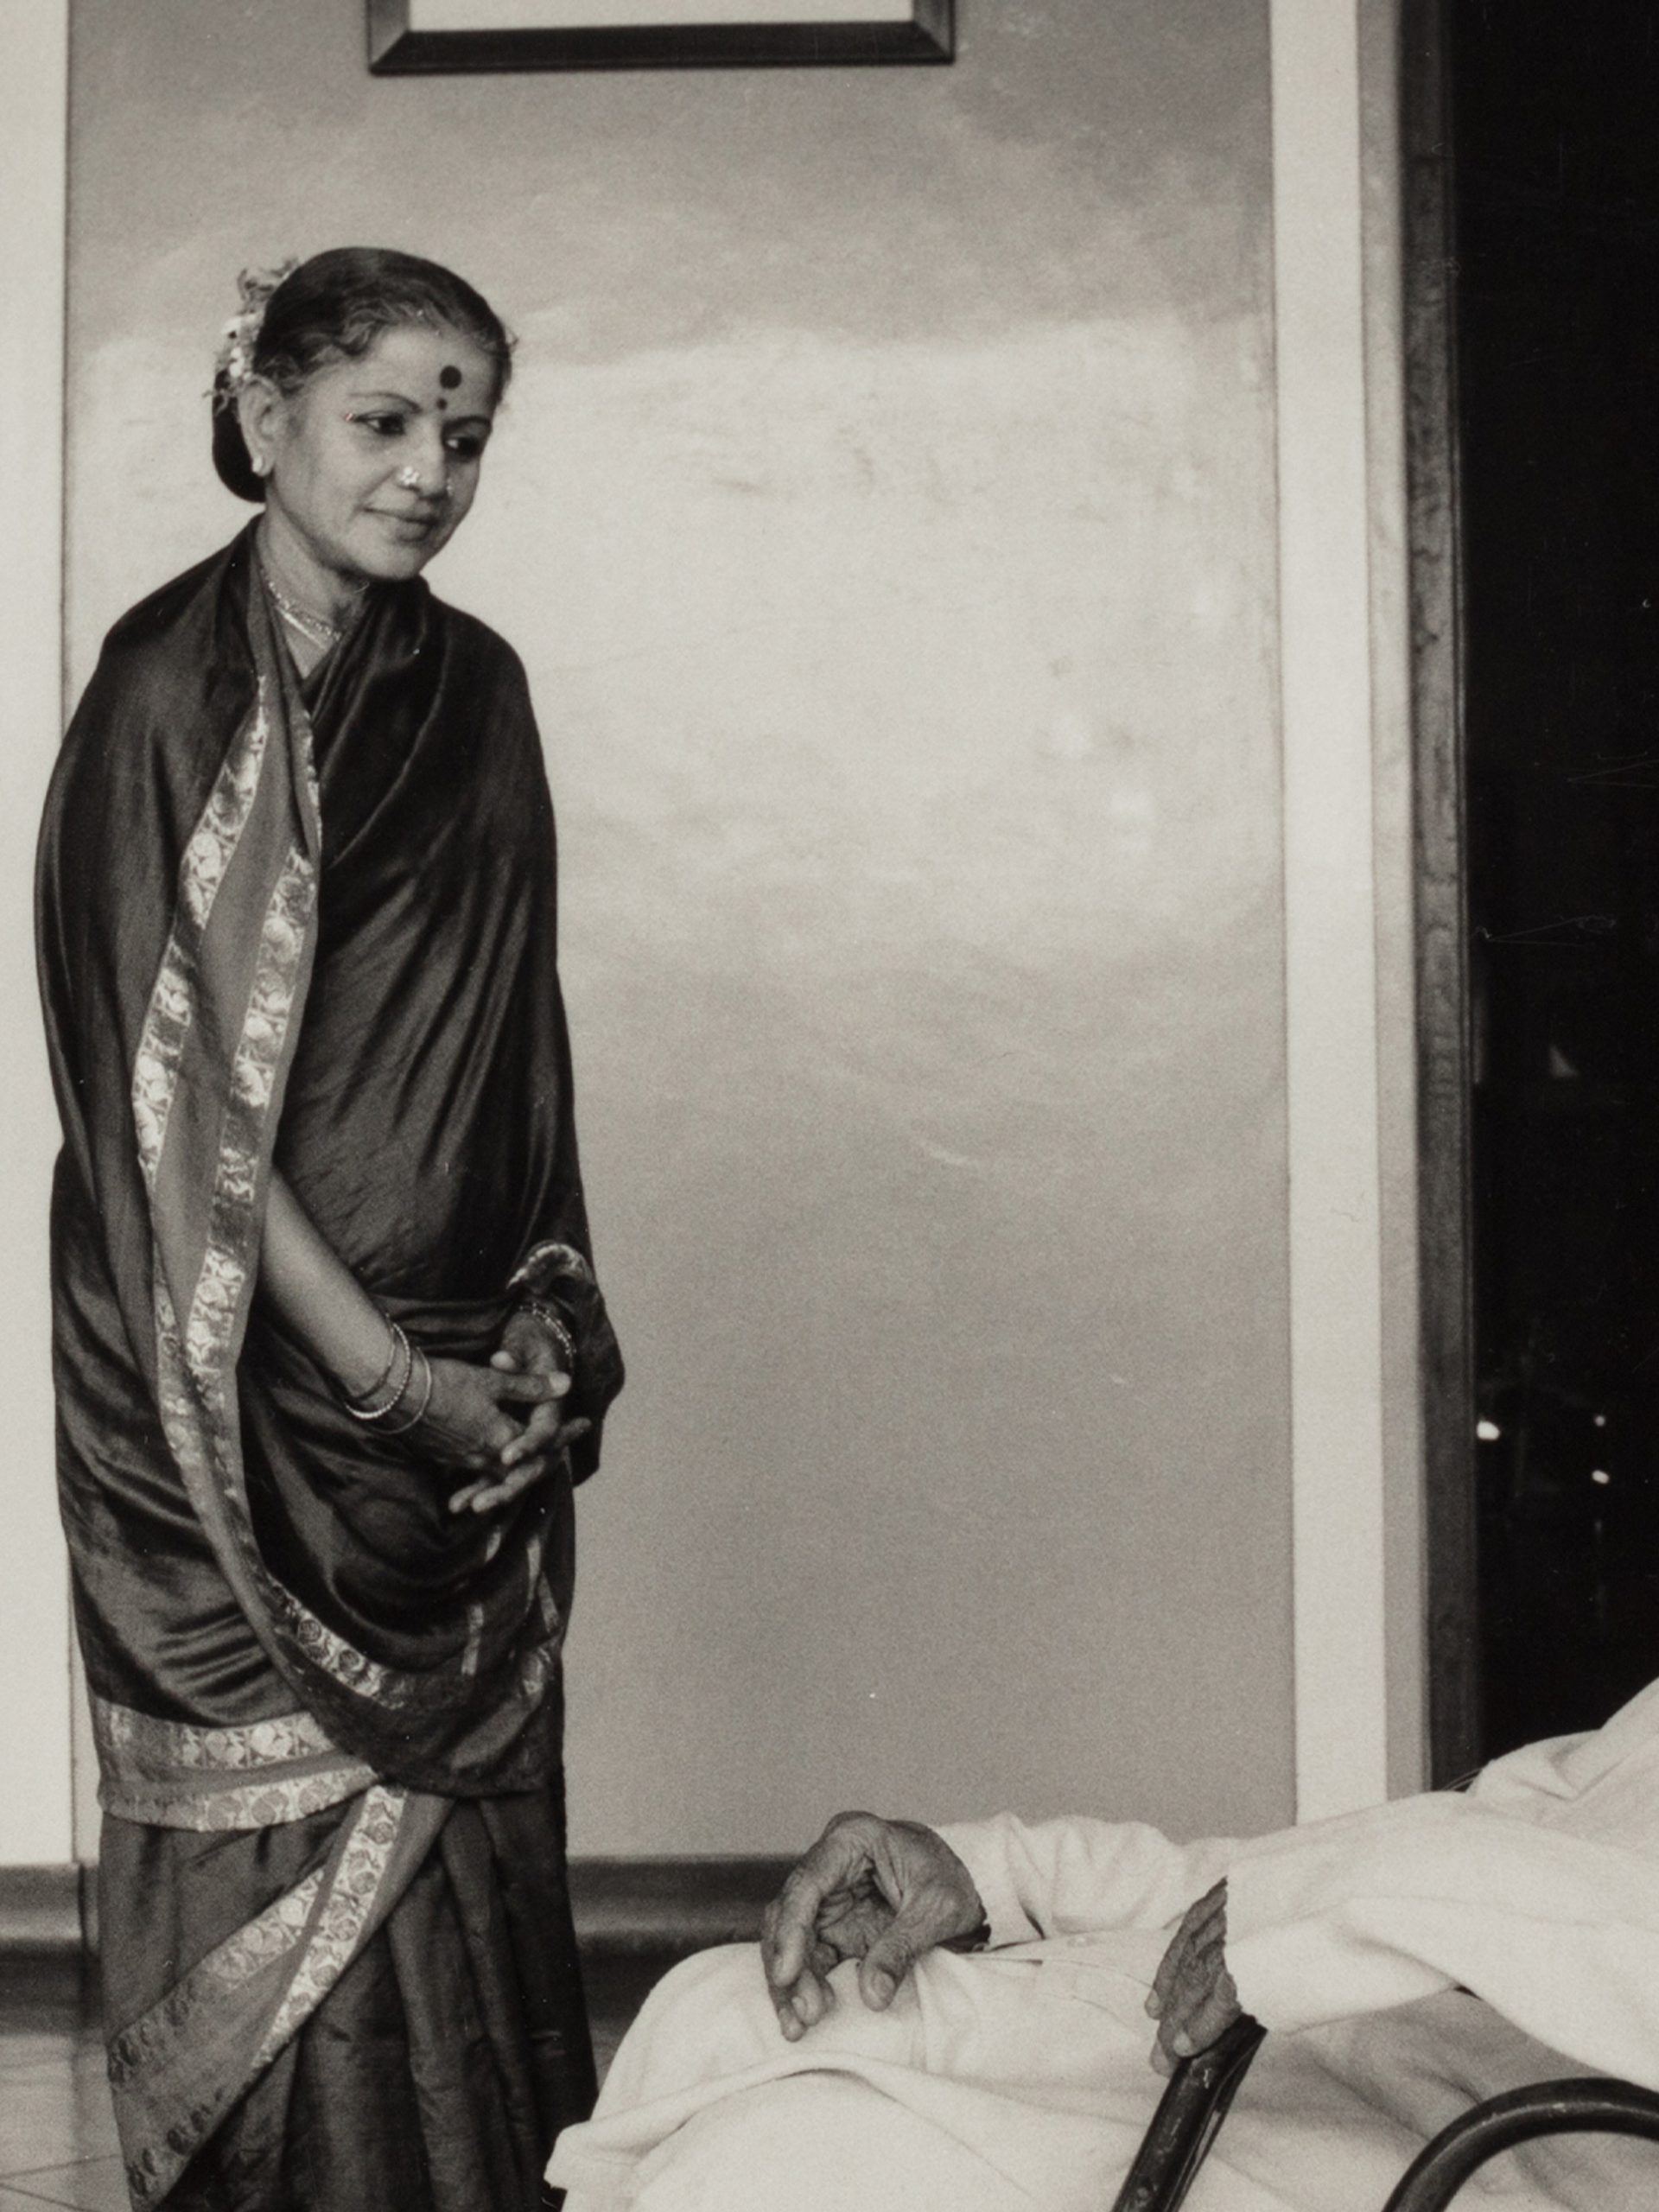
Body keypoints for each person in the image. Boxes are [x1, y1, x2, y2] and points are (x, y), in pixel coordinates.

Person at [36, 248, 624, 2212]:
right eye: (387, 419)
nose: (431, 468)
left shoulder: (480, 690)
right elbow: (165, 1117)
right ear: (266, 413)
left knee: (470, 1928)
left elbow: (514, 1049)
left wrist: (539, 1338)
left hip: (464, 1399)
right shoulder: (163, 696)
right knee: (277, 1906)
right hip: (237, 1426)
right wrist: (398, 1389)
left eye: (465, 431)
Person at [548, 1676, 1659, 2210]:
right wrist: (995, 1874)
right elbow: (1347, 1870)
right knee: (723, 2009)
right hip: (1349, 2054)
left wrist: (1328, 1908)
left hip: (1528, 2161)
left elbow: (1393, 1886)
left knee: (785, 2170)